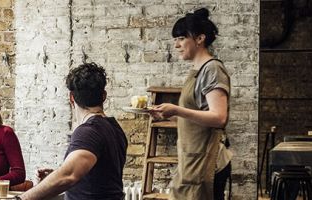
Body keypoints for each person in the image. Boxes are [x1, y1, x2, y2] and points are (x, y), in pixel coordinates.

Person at [148, 8, 233, 200]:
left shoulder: (212, 69)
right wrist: (170, 114)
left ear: (199, 39)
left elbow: (219, 118)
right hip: (193, 158)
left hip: (207, 160)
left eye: (181, 38)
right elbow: (197, 114)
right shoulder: (197, 70)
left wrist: (177, 109)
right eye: (175, 39)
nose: (176, 45)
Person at [19, 62, 128, 200]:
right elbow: (100, 177)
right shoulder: (114, 128)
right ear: (104, 96)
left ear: (71, 97)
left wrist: (22, 199)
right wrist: (52, 177)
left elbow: (68, 176)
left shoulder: (89, 131)